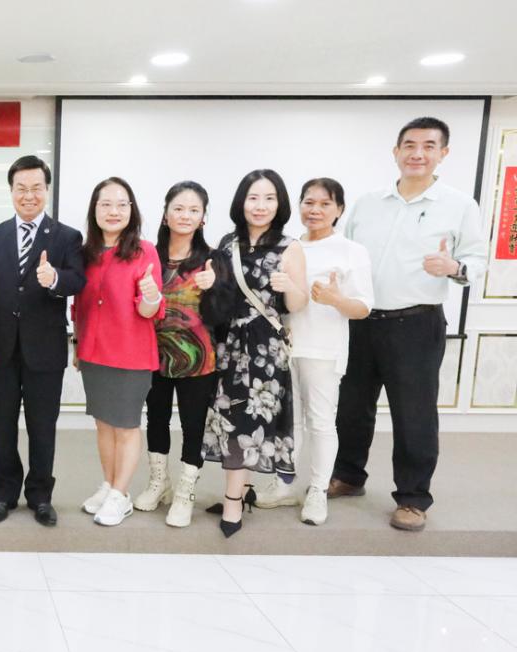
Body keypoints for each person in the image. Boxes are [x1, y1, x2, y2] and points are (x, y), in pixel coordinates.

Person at [332, 117, 487, 532]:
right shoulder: (368, 203)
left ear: (443, 154)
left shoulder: (459, 205)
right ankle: (348, 475)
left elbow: (477, 259)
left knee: (413, 415)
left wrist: (454, 267)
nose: (418, 154)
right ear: (396, 151)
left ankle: (413, 498)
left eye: (429, 146)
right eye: (410, 145)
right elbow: (345, 254)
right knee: (351, 407)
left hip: (416, 324)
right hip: (361, 321)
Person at [0, 155, 85, 527]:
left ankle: (40, 496)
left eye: (36, 188)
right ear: (11, 191)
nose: (28, 195)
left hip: (45, 351)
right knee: (2, 426)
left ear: (47, 190)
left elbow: (77, 280)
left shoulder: (67, 236)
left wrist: (55, 279)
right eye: (21, 188)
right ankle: (4, 494)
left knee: (42, 427)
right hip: (0, 351)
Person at [200, 169, 308, 537]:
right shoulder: (227, 243)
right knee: (231, 418)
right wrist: (209, 284)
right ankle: (242, 490)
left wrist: (288, 285)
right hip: (229, 344)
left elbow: (297, 304)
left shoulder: (290, 247)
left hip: (264, 349)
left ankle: (232, 501)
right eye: (253, 198)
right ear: (241, 202)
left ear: (280, 204)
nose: (260, 206)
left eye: (269, 198)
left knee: (248, 421)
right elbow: (219, 298)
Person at [277, 178, 373, 526]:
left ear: (339, 209)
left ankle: (317, 490)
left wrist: (335, 299)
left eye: (324, 203)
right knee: (288, 421)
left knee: (319, 420)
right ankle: (283, 484)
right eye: (308, 202)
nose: (314, 210)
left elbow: (363, 307)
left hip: (323, 348)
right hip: (284, 346)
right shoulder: (288, 246)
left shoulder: (351, 250)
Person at [73, 177, 164, 527]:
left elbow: (149, 310)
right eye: (106, 204)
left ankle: (121, 494)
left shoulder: (144, 251)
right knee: (103, 425)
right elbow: (79, 306)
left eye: (121, 204)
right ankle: (109, 485)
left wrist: (152, 295)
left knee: (125, 426)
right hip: (92, 353)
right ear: (94, 210)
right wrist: (77, 345)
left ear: (132, 210)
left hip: (130, 355)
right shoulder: (86, 254)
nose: (114, 211)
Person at [134, 181, 218, 528]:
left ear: (203, 218)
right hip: (152, 355)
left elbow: (225, 312)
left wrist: (217, 286)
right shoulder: (148, 255)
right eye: (178, 208)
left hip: (199, 359)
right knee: (156, 419)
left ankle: (185, 492)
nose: (185, 215)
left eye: (194, 210)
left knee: (193, 425)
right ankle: (160, 483)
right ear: (165, 214)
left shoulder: (213, 259)